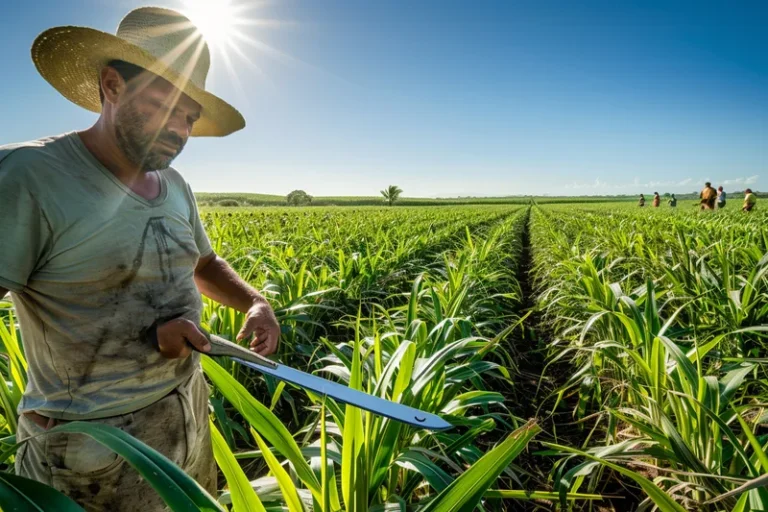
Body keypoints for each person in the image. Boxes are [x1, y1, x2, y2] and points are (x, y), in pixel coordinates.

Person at [0, 7, 280, 511]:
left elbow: (204, 264)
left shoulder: (174, 185)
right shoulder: (30, 176)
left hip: (186, 407)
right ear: (112, 85)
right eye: (163, 106)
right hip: (93, 441)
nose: (179, 129)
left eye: (189, 118)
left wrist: (255, 302)